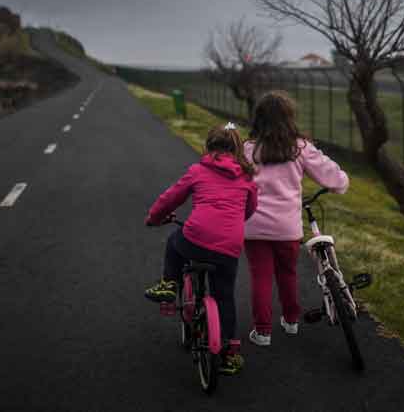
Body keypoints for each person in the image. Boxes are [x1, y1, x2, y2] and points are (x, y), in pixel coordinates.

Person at [144, 123, 258, 376]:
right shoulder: (247, 177)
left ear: (208, 147)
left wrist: (153, 218)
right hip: (229, 245)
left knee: (175, 242)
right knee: (224, 296)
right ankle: (231, 352)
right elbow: (250, 209)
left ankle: (169, 283)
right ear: (238, 148)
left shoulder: (198, 170)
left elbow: (171, 198)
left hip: (196, 237)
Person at [243, 91, 349, 347]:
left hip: (253, 225)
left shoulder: (247, 149)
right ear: (289, 118)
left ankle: (263, 331)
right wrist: (340, 183)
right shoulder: (300, 148)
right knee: (288, 273)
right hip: (287, 228)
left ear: (257, 119)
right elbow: (334, 179)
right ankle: (291, 321)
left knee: (260, 277)